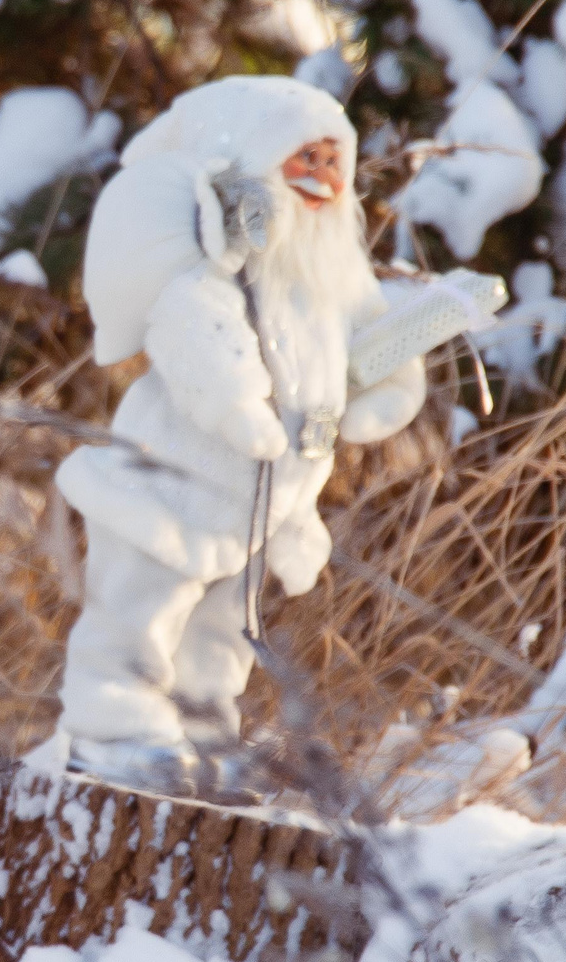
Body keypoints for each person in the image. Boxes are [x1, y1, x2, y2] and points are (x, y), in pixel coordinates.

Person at [53, 77, 425, 793]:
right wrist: (238, 408)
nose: (320, 173)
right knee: (144, 605)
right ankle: (114, 727)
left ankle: (203, 730)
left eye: (331, 160)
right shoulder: (215, 268)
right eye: (301, 156)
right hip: (173, 484)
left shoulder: (325, 292)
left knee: (223, 626)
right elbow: (198, 333)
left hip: (263, 505)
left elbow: (362, 366)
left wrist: (389, 382)